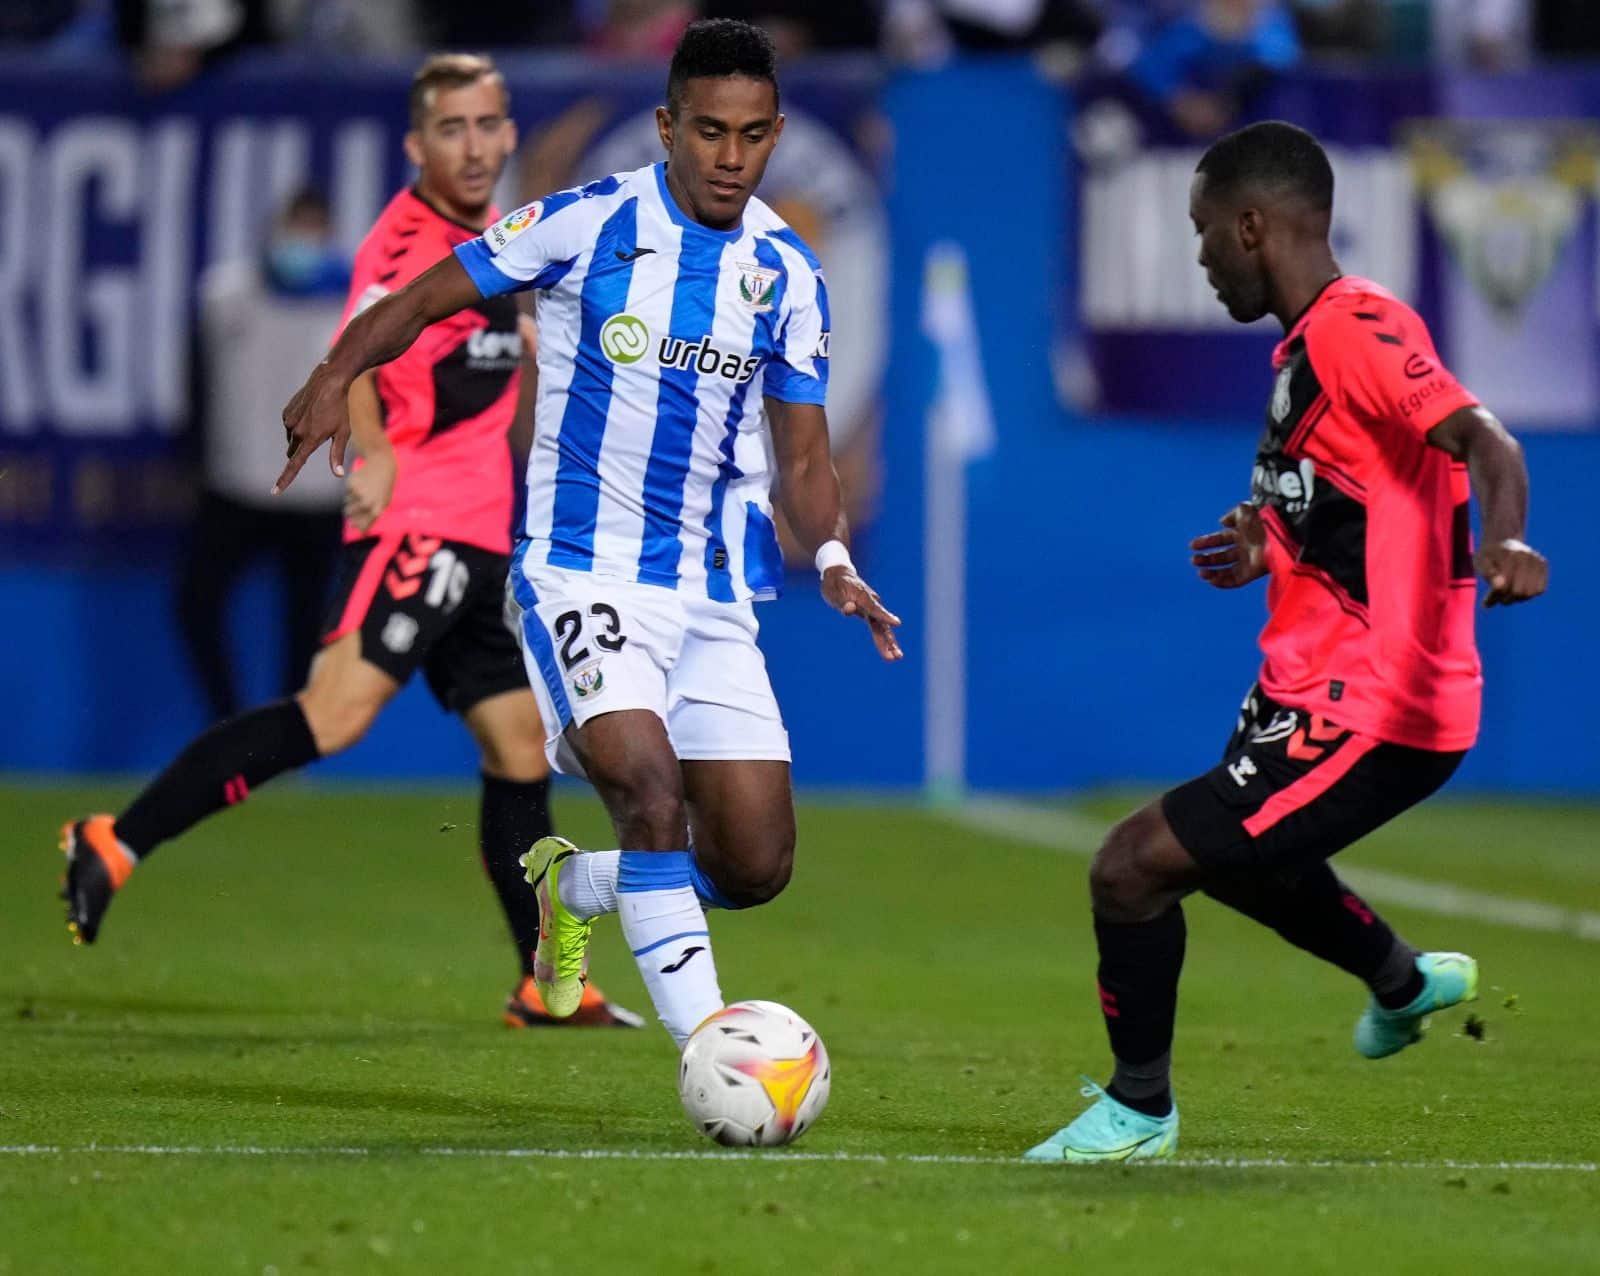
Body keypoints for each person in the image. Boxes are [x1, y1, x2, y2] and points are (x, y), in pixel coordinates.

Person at [275, 20, 903, 1048]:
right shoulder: (584, 222)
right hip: (582, 577)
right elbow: (426, 296)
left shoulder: (788, 272)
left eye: (751, 135)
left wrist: (830, 555)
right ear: (666, 127)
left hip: (711, 597)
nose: (730, 157)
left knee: (755, 865)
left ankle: (572, 886)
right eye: (708, 131)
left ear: (778, 132)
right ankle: (716, 1054)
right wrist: (334, 375)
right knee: (649, 794)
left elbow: (802, 458)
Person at [60, 52, 639, 1030]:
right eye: (448, 129)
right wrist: (367, 447)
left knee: (514, 748)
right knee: (330, 717)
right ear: (417, 146)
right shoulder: (407, 241)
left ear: (507, 133)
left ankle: (545, 984)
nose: (471, 144)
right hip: (420, 524)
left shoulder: (493, 242)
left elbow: (476, 354)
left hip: (479, 536)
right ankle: (113, 839)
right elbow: (362, 345)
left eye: (486, 125)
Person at [1025, 121, 1548, 1163]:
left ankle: (1140, 1112)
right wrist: (1262, 539)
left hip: (1377, 702)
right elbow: (1345, 503)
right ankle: (1402, 983)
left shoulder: (1359, 329)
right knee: (1246, 866)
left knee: (1131, 867)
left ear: (1253, 225)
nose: (1201, 255)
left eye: (1204, 231)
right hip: (1307, 687)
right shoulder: (1304, 351)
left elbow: (1484, 439)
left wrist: (1510, 537)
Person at [179, 186, 346, 722]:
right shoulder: (225, 294)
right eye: (296, 226)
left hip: (318, 492)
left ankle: (280, 741)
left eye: (315, 229)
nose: (304, 241)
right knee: (194, 602)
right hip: (236, 486)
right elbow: (195, 387)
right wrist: (196, 462)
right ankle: (227, 722)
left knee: (308, 627)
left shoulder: (357, 300)